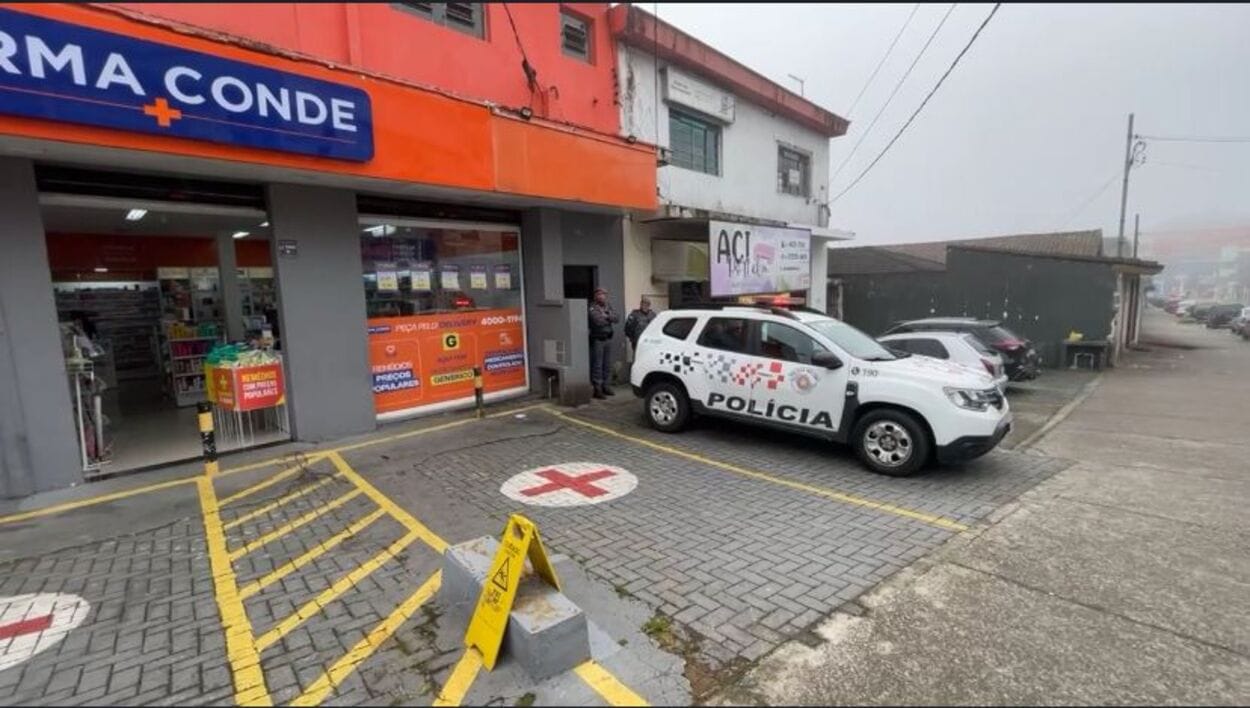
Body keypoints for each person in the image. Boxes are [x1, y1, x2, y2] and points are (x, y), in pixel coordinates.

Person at [587, 287, 619, 399]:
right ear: (596, 296)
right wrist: (608, 317)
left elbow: (617, 318)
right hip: (598, 340)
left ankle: (606, 386)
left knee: (607, 365)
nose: (602, 296)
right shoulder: (592, 307)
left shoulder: (607, 306)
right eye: (600, 294)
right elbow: (598, 321)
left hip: (608, 339)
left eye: (604, 294)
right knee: (598, 365)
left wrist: (607, 316)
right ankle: (597, 389)